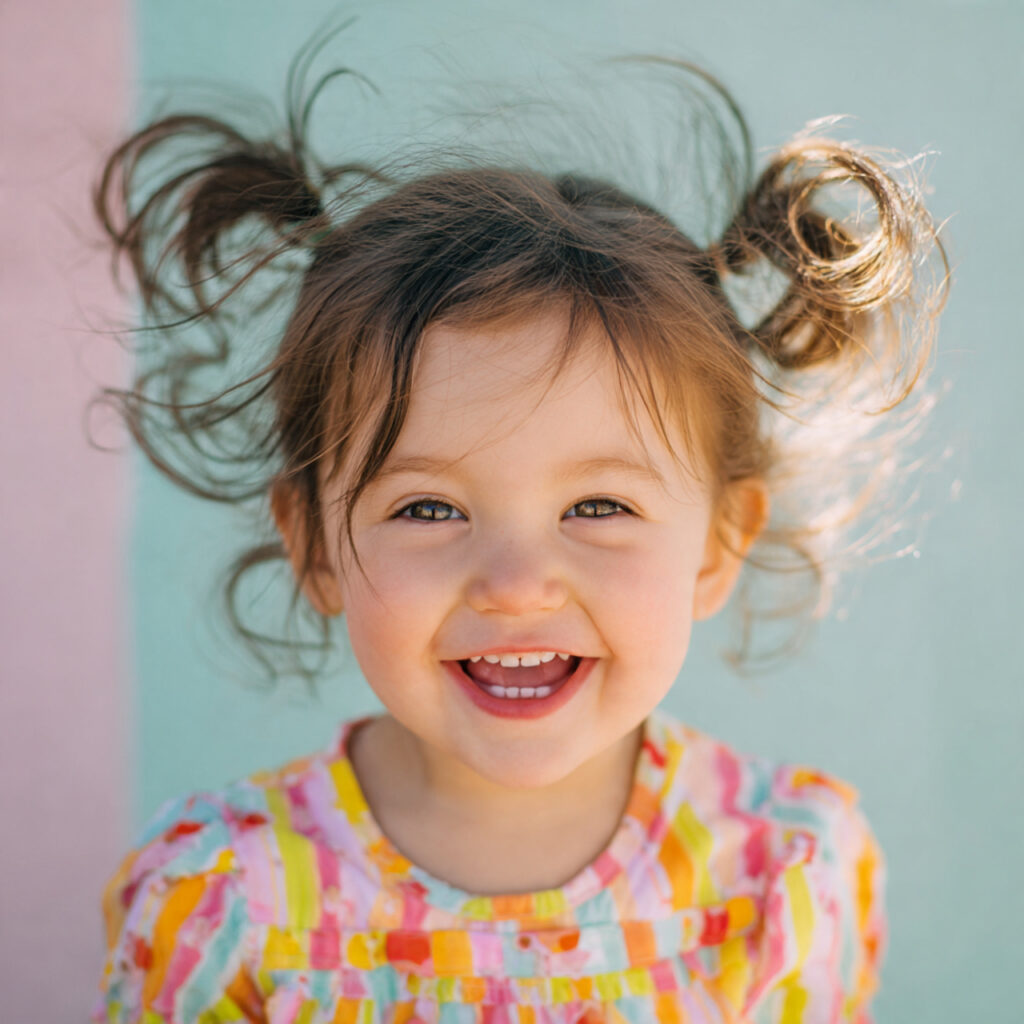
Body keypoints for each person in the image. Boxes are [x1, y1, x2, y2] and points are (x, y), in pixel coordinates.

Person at [88, 33, 946, 1024]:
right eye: (429, 508)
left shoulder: (785, 872)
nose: (515, 580)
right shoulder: (217, 901)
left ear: (717, 540)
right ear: (316, 543)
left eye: (597, 507)